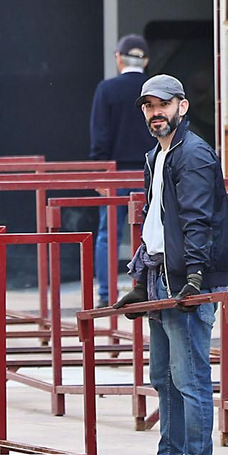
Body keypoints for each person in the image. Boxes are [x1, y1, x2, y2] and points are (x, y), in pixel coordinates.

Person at [113, 74, 228, 455]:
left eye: (163, 104)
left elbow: (197, 219)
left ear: (182, 106)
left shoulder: (195, 154)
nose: (155, 112)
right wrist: (142, 281)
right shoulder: (158, 156)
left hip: (187, 279)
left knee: (191, 380)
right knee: (163, 378)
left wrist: (196, 278)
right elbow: (155, 223)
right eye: (148, 106)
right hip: (161, 273)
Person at [90, 34, 157, 303]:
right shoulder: (154, 91)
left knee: (108, 234)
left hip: (114, 171)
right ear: (147, 60)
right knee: (149, 232)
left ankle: (106, 293)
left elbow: (100, 136)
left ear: (118, 58)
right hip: (150, 170)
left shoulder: (106, 90)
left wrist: (99, 169)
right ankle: (146, 287)